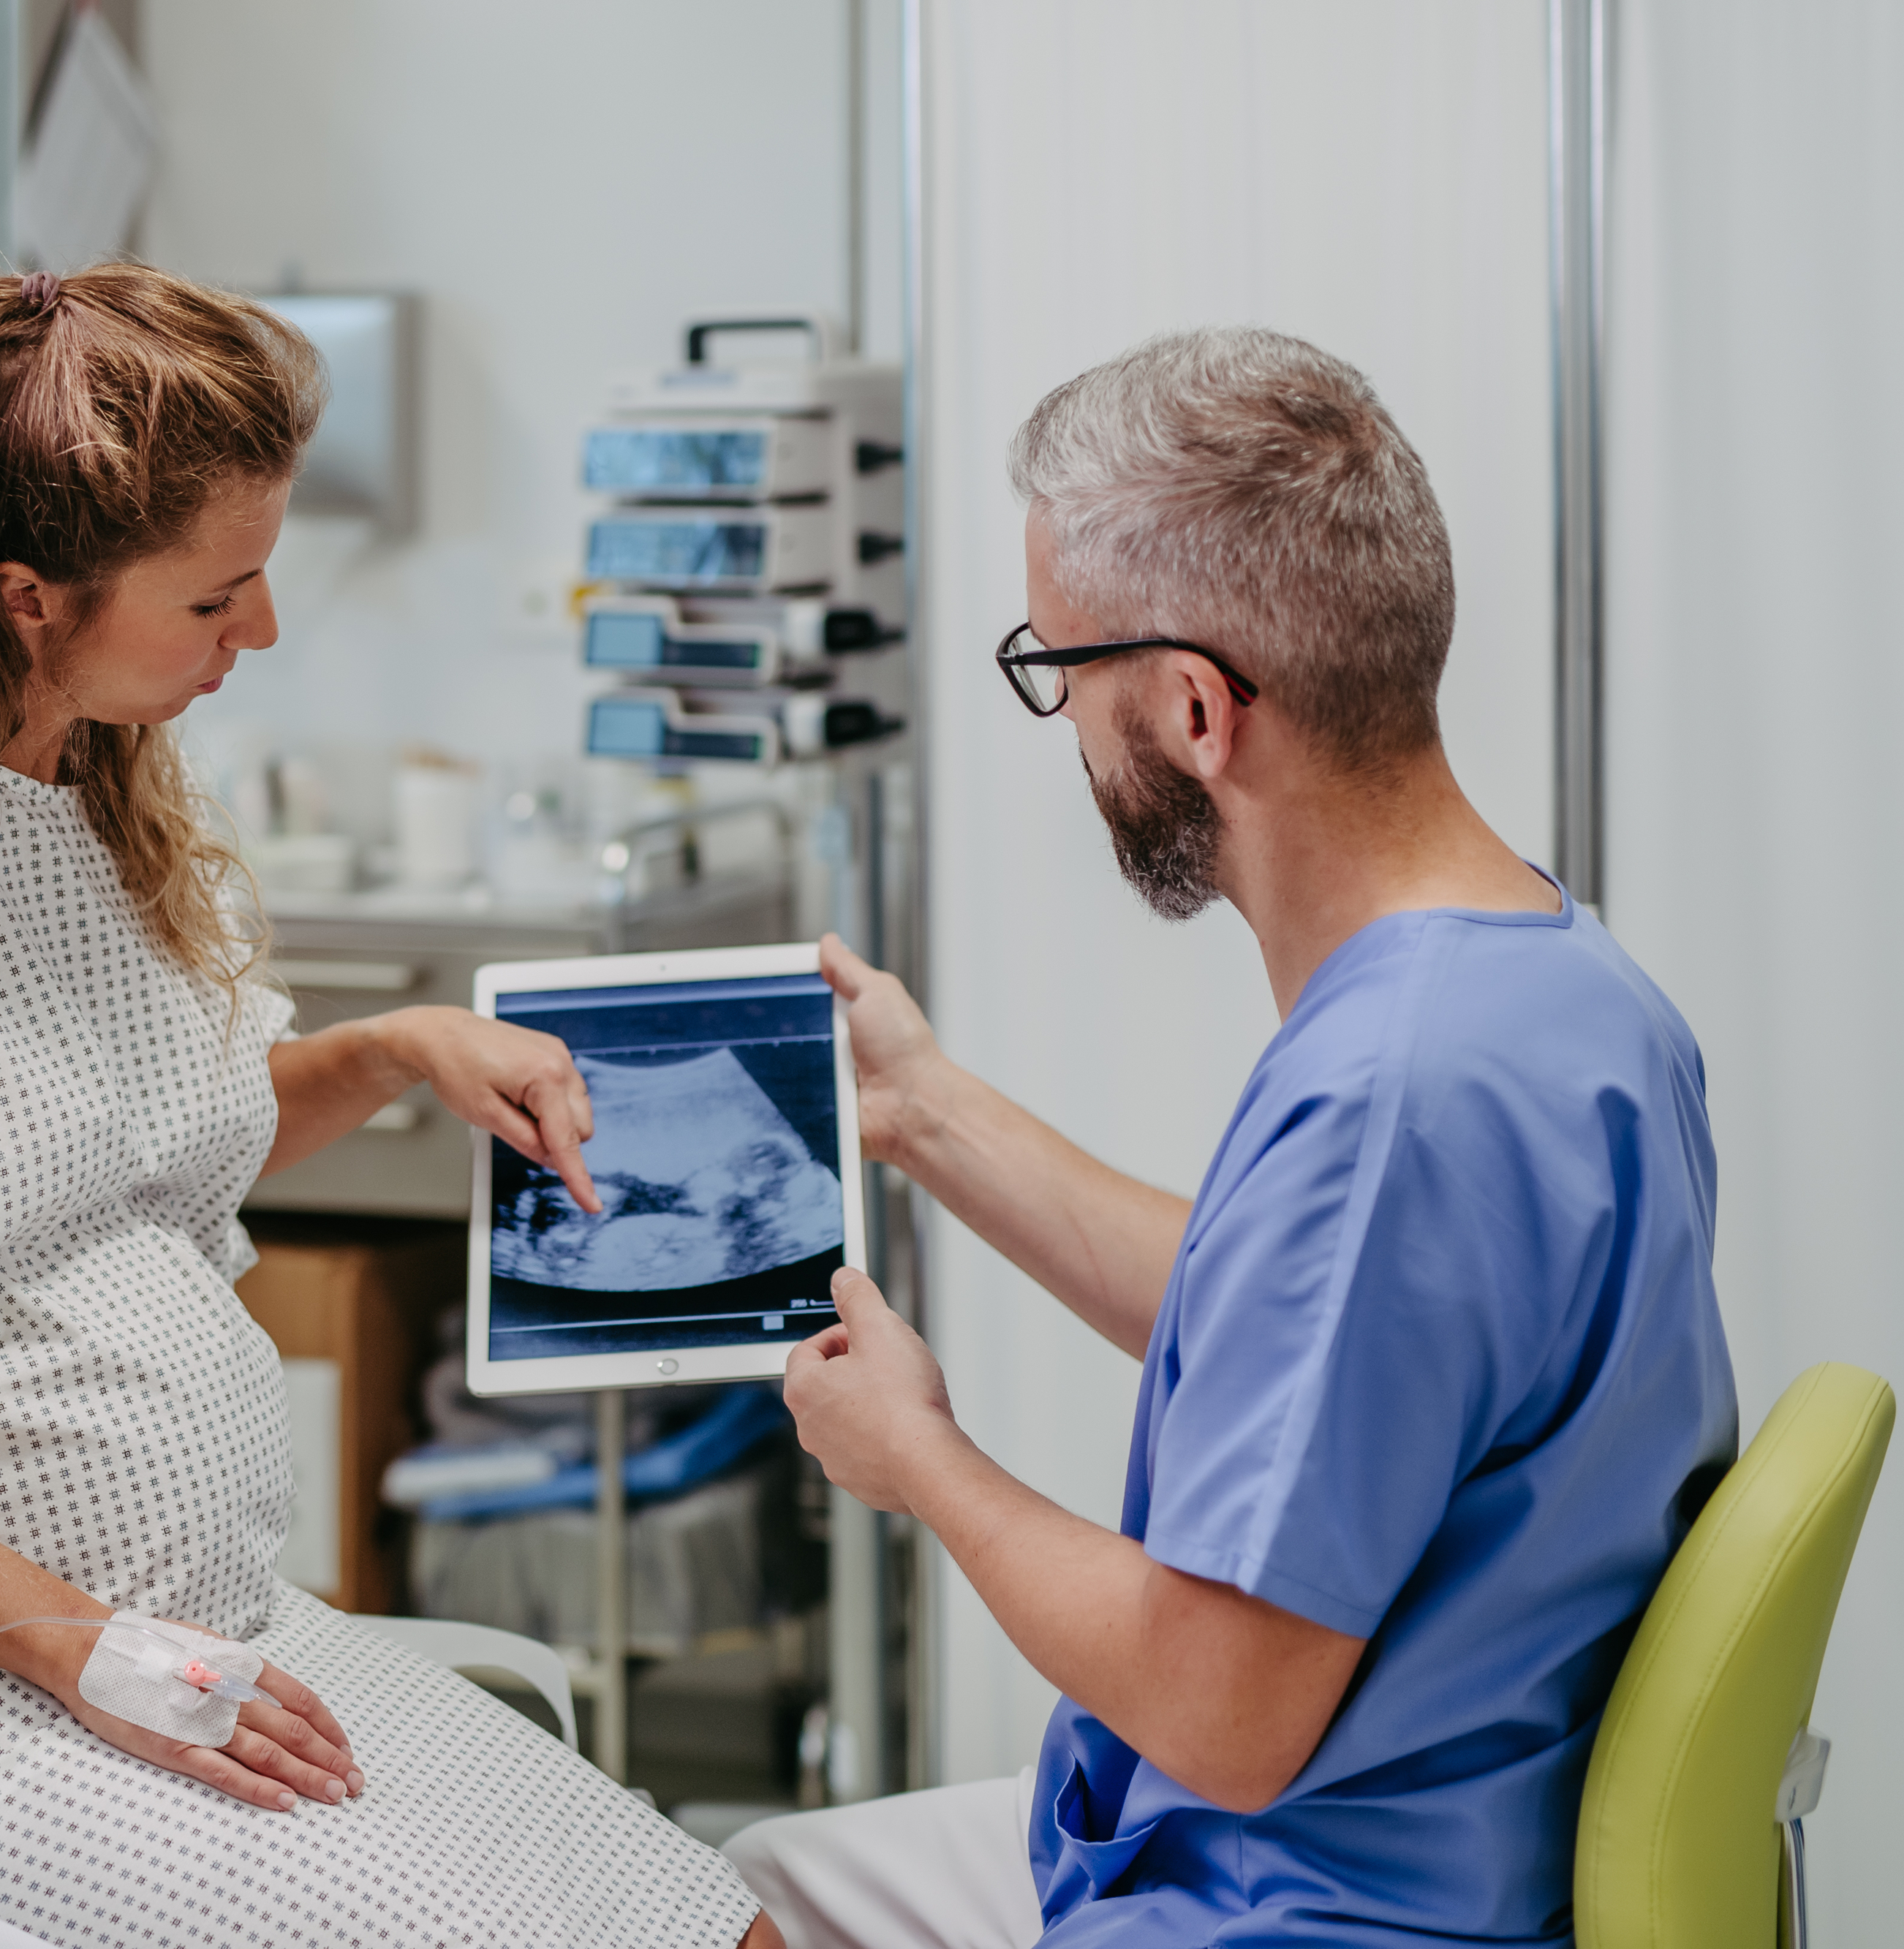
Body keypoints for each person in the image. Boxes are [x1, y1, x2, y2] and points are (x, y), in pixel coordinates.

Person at [0, 265, 773, 1949]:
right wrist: (77, 1648)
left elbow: (140, 1142)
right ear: (26, 597)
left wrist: (397, 1049)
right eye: (215, 598)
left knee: (718, 1923)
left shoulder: (78, 828)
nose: (256, 634)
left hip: (179, 1630)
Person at [727, 328, 1735, 1949]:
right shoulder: (1558, 985)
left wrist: (922, 1460)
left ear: (1194, 707)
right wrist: (919, 1107)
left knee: (710, 1904)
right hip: (1464, 1831)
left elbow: (1220, 1714)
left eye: (1059, 672)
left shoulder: (1385, 1102)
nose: (1061, 727)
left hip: (1315, 1902)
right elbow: (1290, 1333)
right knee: (768, 1870)